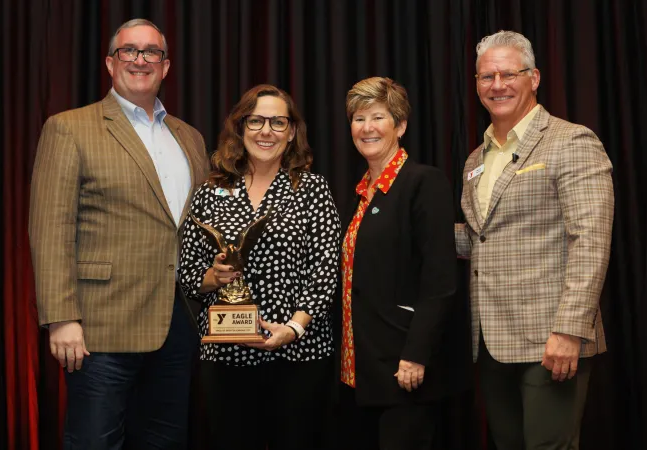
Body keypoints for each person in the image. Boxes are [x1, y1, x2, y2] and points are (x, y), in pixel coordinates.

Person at [28, 18, 210, 449]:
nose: (140, 60)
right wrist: (61, 317)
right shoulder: (69, 127)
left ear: (166, 66)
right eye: (129, 50)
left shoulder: (190, 137)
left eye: (152, 52)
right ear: (110, 63)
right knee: (95, 441)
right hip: (99, 328)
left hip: (177, 323)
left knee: (164, 440)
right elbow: (50, 225)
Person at [455, 30, 614, 449]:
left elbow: (591, 241)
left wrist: (569, 330)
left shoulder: (571, 141)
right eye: (486, 76)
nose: (497, 85)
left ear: (535, 77)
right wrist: (415, 235)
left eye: (510, 73)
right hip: (492, 342)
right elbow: (482, 239)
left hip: (550, 339)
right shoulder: (477, 158)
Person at [177, 84, 341, 450]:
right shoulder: (210, 191)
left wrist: (295, 328)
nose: (266, 131)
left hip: (299, 353)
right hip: (225, 353)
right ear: (240, 127)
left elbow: (326, 269)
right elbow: (188, 273)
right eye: (256, 121)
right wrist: (213, 276)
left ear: (292, 132)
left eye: (278, 122)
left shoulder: (312, 189)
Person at [337, 76, 464, 450]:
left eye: (378, 117)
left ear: (401, 125)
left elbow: (440, 280)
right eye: (359, 119)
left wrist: (415, 355)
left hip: (404, 369)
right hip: (358, 370)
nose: (367, 128)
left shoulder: (423, 182)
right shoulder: (359, 192)